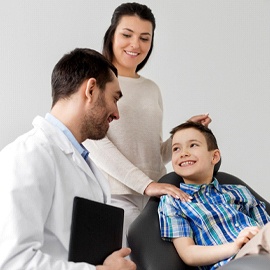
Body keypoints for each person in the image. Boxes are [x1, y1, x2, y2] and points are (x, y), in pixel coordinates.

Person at [83, 2, 211, 245]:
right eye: (127, 34)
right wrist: (146, 185)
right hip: (118, 196)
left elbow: (154, 153)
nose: (135, 45)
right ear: (112, 35)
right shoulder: (96, 82)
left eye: (144, 38)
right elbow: (95, 144)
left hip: (156, 197)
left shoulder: (152, 89)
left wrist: (183, 133)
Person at [0, 48, 136, 270]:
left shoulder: (85, 163)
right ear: (91, 89)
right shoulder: (27, 155)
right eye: (114, 98)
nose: (117, 113)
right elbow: (12, 261)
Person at [158, 121, 270, 270]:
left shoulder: (239, 191)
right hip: (232, 262)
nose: (183, 153)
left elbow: (264, 227)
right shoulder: (173, 201)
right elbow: (188, 254)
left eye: (193, 145)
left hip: (262, 250)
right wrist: (235, 246)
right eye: (176, 149)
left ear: (215, 156)